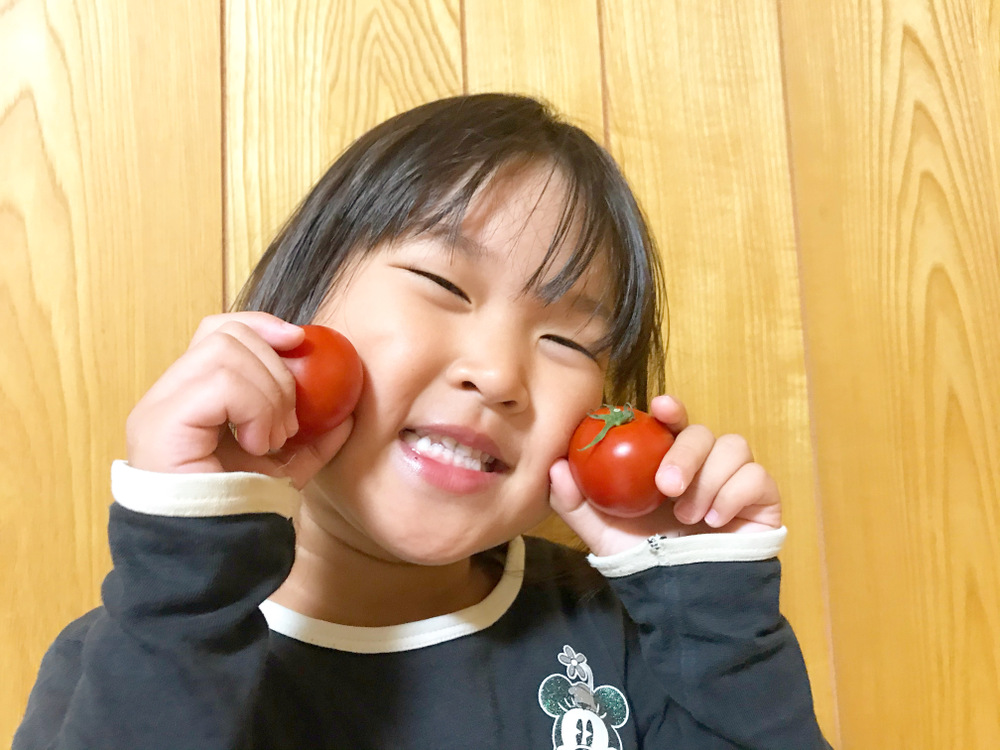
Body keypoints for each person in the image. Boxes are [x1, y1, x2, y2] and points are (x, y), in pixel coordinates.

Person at [15, 94, 830, 749]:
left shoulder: (627, 640)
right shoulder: (144, 647)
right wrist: (188, 563)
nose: (499, 374)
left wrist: (710, 609)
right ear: (299, 305)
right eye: (445, 286)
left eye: (565, 341)